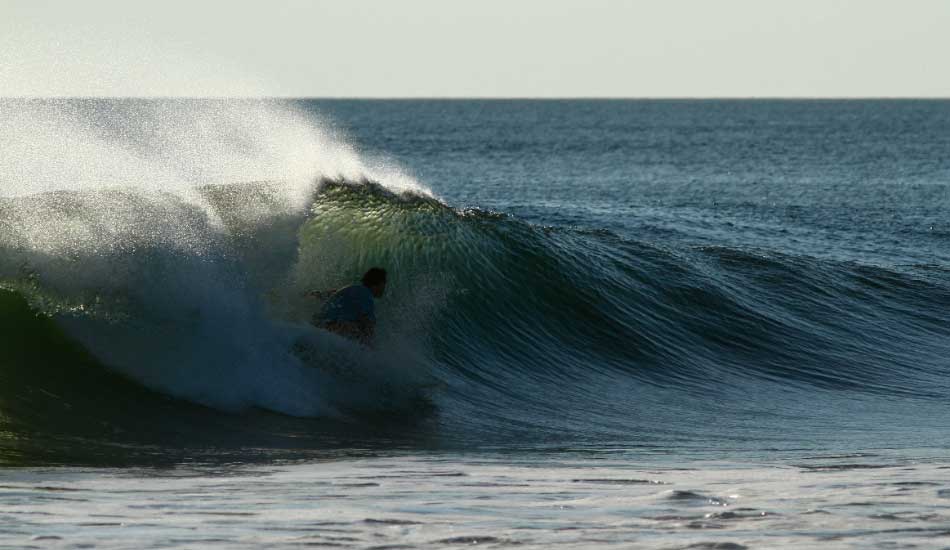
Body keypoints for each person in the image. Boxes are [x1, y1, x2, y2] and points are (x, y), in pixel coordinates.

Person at [309, 268, 387, 346]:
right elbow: (368, 327)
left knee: (356, 325)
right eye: (384, 283)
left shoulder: (351, 288)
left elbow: (326, 294)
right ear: (379, 283)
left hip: (316, 324)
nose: (384, 287)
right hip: (328, 327)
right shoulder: (367, 296)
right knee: (360, 330)